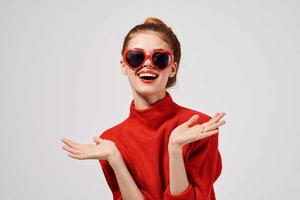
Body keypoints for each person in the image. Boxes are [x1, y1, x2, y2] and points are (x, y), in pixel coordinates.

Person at [61, 17, 226, 200]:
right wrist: (115, 160)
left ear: (173, 68)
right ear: (124, 65)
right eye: (136, 57)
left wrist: (175, 150)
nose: (147, 64)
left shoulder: (199, 127)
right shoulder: (111, 142)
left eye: (160, 58)